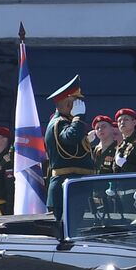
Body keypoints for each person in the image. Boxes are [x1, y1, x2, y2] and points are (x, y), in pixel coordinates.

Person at [43, 75, 94, 215]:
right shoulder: (59, 123)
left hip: (72, 188)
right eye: (76, 102)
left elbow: (73, 147)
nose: (80, 105)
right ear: (66, 104)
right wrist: (78, 118)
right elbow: (69, 138)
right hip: (65, 188)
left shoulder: (65, 122)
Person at [111, 108, 136, 173]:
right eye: (119, 121)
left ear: (134, 122)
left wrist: (124, 165)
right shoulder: (121, 145)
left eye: (126, 119)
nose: (122, 122)